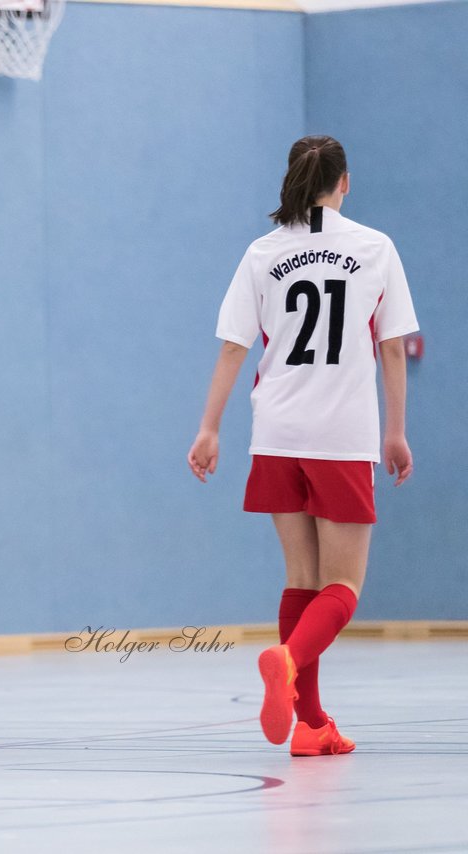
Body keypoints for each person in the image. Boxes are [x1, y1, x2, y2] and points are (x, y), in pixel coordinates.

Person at [188, 136, 418, 756]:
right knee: (343, 588)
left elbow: (235, 346)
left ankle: (311, 726)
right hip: (341, 436)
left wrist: (210, 427)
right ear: (345, 183)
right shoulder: (374, 247)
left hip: (277, 434)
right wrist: (395, 431)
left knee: (302, 579)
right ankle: (287, 663)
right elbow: (392, 346)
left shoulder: (264, 252)